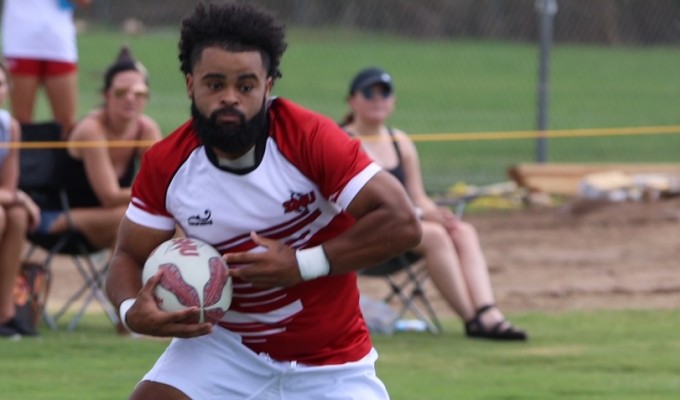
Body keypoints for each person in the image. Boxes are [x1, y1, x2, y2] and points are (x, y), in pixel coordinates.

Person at [105, 2, 420, 399]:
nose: (230, 98)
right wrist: (131, 310)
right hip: (223, 349)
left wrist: (302, 264)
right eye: (214, 84)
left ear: (268, 85)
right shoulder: (166, 163)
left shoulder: (310, 138)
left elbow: (403, 222)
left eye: (246, 85)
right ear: (191, 84)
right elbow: (127, 256)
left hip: (332, 361)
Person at [342, 67, 527, 341]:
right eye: (369, 93)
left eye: (385, 93)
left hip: (404, 235)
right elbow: (354, 204)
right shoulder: (343, 141)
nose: (377, 99)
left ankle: (489, 313)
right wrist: (421, 216)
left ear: (393, 101)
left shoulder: (400, 141)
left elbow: (417, 195)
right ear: (352, 100)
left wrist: (433, 212)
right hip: (362, 238)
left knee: (462, 231)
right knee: (436, 236)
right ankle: (472, 320)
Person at [34, 46, 162, 251]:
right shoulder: (92, 129)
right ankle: (119, 283)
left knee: (158, 217)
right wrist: (156, 195)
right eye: (121, 92)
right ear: (107, 94)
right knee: (133, 218)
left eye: (139, 93)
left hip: (108, 219)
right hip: (58, 217)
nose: (130, 98)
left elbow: (161, 183)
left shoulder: (146, 129)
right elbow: (109, 197)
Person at [1, 0, 92, 137]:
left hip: (59, 45)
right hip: (20, 43)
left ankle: (62, 158)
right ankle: (22, 159)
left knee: (66, 124)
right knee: (21, 123)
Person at [0, 62, 41, 338]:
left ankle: (5, 313)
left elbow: (8, 187)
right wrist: (22, 198)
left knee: (15, 216)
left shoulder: (9, 127)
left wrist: (20, 199)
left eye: (1, 84)